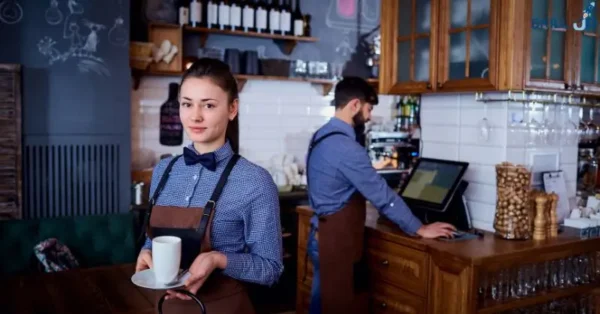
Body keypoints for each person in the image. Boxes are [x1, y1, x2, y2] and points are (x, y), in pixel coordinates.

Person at [135, 58, 283, 314]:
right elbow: (154, 240)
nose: (195, 116)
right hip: (165, 307)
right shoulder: (163, 170)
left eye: (209, 105)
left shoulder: (255, 181)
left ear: (232, 108)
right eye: (187, 104)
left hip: (224, 307)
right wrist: (147, 252)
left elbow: (270, 268)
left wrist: (217, 259)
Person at [305, 77, 456, 314]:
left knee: (321, 303)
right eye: (368, 108)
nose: (369, 116)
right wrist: (419, 228)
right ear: (354, 105)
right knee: (338, 307)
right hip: (336, 242)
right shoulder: (347, 148)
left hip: (321, 235)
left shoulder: (321, 135)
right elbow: (383, 196)